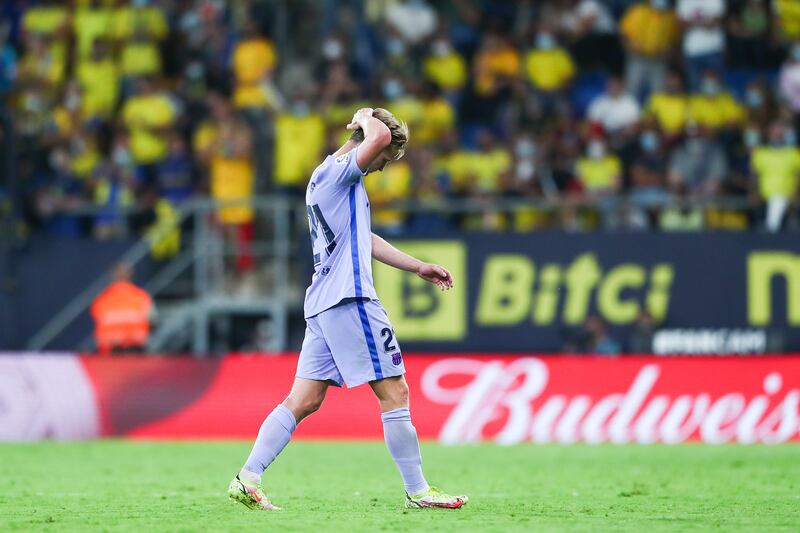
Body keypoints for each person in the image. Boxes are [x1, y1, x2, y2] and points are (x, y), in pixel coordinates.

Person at [227, 108, 468, 510]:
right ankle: (419, 490)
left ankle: (247, 478)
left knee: (303, 400)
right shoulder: (342, 171)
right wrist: (366, 115)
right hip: (349, 298)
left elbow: (363, 237)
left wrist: (417, 265)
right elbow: (376, 138)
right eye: (384, 161)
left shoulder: (328, 176)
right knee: (395, 391)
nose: (379, 168)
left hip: (323, 302)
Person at [90, 262, 154, 355]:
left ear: (113, 276)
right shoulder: (142, 297)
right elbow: (153, 320)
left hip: (111, 352)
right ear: (131, 276)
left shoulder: (102, 298)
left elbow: (96, 317)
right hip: (134, 351)